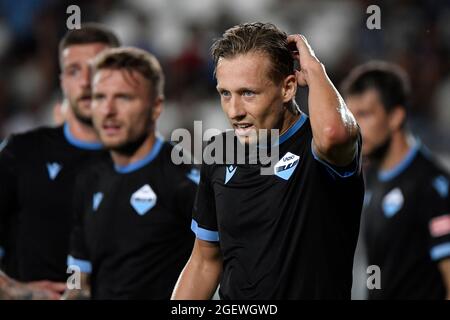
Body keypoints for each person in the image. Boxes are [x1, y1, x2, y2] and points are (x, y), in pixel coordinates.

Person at [171, 22, 364, 300]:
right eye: (226, 94)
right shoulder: (220, 150)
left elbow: (334, 134)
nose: (234, 111)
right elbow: (204, 261)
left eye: (248, 93)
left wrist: (315, 69)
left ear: (287, 88)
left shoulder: (319, 147)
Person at [63, 47, 197, 300]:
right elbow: (78, 283)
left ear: (156, 107)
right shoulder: (88, 180)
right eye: (100, 97)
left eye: (124, 97)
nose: (108, 110)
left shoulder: (182, 181)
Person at [0, 24, 120, 299]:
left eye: (99, 67)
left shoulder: (156, 163)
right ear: (62, 81)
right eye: (74, 70)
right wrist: (17, 291)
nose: (86, 81)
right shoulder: (21, 152)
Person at [343, 61, 450, 299]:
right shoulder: (368, 178)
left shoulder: (432, 186)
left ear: (395, 117)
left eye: (365, 114)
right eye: (351, 116)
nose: (356, 127)